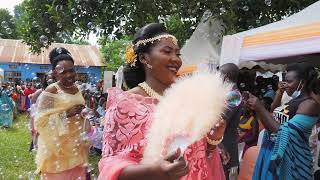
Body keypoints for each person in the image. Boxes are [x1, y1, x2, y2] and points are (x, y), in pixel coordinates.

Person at [98, 23, 226, 180]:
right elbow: (110, 165)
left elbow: (197, 152)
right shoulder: (125, 104)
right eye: (167, 51)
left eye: (178, 54)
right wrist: (154, 172)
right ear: (144, 58)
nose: (176, 60)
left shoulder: (188, 100)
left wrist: (213, 140)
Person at [248, 63, 320, 180]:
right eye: (285, 81)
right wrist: (259, 109)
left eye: (290, 81)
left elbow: (283, 132)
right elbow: (272, 117)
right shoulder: (293, 100)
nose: (286, 85)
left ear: (303, 82)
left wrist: (260, 108)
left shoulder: (310, 104)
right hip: (273, 151)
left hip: (291, 159)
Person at [34, 47, 89, 179]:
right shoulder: (52, 90)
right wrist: (66, 114)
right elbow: (40, 122)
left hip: (77, 147)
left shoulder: (77, 88)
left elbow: (80, 111)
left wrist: (84, 113)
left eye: (71, 71)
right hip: (57, 151)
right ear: (55, 73)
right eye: (63, 72)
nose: (69, 75)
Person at [218, 63, 242, 180]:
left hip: (225, 145)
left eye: (219, 75)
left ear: (226, 76)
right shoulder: (229, 94)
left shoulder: (234, 96)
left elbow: (220, 120)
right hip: (222, 143)